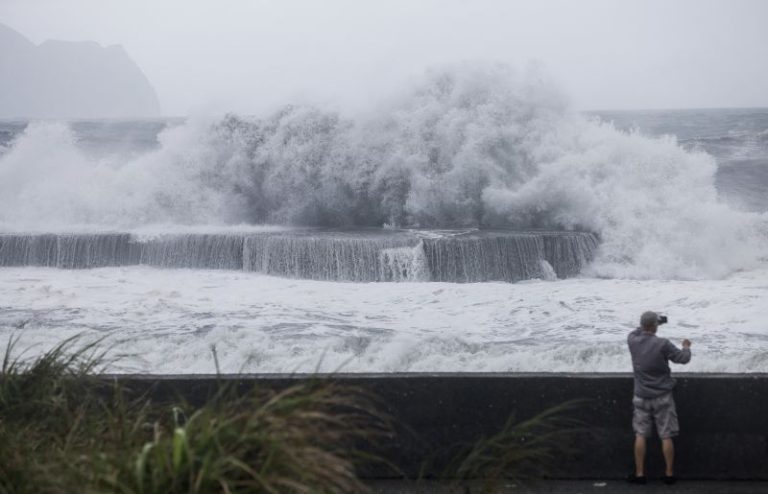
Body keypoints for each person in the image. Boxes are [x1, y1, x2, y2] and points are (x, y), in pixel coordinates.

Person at [626, 311, 691, 485]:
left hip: (641, 395)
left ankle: (640, 474)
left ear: (642, 324)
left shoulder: (632, 340)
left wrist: (651, 323)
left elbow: (639, 329)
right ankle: (669, 474)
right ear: (655, 326)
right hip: (663, 396)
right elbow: (683, 359)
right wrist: (686, 346)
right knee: (666, 435)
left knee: (640, 434)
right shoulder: (663, 344)